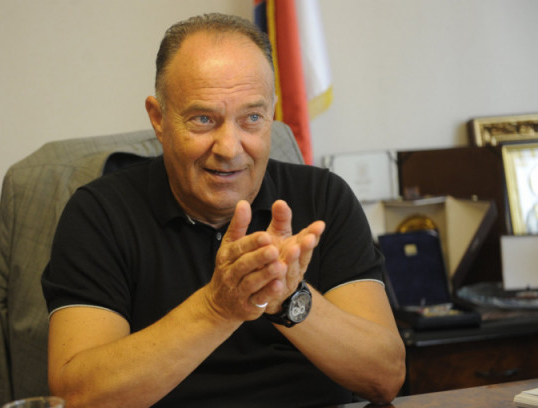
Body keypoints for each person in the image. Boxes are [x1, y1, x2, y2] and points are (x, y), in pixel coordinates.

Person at [41, 13, 405, 408]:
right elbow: (77, 397)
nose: (229, 148)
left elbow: (386, 378)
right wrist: (217, 308)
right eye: (203, 119)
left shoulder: (324, 198)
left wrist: (286, 297)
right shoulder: (99, 214)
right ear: (159, 119)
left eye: (252, 118)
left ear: (272, 114)